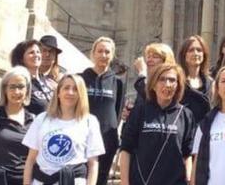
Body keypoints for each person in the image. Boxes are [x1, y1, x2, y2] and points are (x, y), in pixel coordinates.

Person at [119, 64, 197, 185]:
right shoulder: (140, 111)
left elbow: (187, 154)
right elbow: (126, 149)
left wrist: (188, 180)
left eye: (172, 80)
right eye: (162, 79)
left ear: (178, 85)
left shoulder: (186, 115)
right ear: (153, 85)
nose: (167, 84)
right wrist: (124, 182)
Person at [22, 74, 105, 185]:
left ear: (81, 94)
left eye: (75, 89)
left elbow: (93, 164)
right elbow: (30, 160)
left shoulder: (90, 121)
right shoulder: (42, 119)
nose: (70, 92)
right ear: (58, 93)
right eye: (66, 88)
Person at [81, 37, 125, 185]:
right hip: (83, 137)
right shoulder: (81, 78)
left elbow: (117, 111)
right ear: (93, 53)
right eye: (100, 51)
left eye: (107, 52)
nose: (103, 55)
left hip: (106, 138)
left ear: (112, 55)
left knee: (101, 177)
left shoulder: (117, 82)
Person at [11, 40, 54, 116]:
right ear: (21, 59)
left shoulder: (47, 82)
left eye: (38, 52)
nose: (36, 55)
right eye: (31, 53)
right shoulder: (20, 83)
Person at [179, 36, 214, 125]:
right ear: (184, 55)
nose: (195, 53)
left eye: (199, 50)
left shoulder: (211, 83)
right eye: (191, 50)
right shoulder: (177, 81)